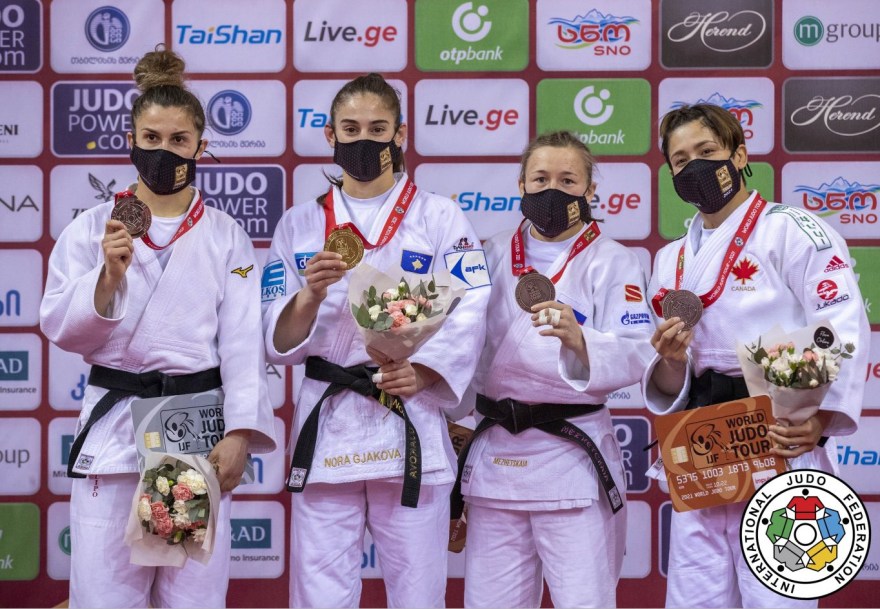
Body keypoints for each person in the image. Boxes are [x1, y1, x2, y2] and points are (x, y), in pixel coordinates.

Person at [39, 45, 277, 608]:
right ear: (130, 141)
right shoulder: (94, 228)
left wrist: (240, 432)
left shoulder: (224, 236)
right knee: (105, 594)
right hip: (117, 431)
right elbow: (61, 327)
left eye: (178, 140)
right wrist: (106, 278)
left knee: (187, 595)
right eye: (152, 139)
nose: (164, 150)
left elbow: (244, 343)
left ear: (200, 146)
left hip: (188, 437)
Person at [261, 72, 491, 608]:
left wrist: (427, 370)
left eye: (377, 127)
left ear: (401, 135)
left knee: (418, 592)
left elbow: (472, 302)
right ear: (330, 136)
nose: (364, 138)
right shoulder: (299, 225)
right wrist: (308, 298)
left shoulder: (439, 216)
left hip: (407, 415)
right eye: (351, 127)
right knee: (320, 594)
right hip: (330, 424)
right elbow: (275, 339)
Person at [643, 104, 870, 608]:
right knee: (694, 595)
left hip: (777, 436)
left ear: (738, 155)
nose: (694, 167)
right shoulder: (670, 258)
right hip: (702, 445)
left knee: (778, 593)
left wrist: (820, 419)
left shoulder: (793, 229)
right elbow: (667, 372)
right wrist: (672, 361)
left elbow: (842, 322)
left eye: (707, 152)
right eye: (681, 161)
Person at [455, 131, 656, 608]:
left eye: (568, 181)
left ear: (590, 192)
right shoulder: (487, 252)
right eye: (541, 178)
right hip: (498, 458)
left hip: (572, 462)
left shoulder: (615, 261)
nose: (553, 190)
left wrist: (582, 341)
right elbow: (456, 338)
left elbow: (637, 351)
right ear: (521, 183)